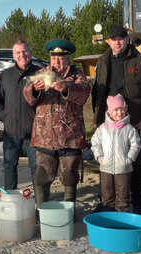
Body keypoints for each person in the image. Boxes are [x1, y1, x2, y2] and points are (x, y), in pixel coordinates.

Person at [92, 25, 141, 215]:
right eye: (113, 39)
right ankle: (107, 204)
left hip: (133, 122)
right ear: (108, 41)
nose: (117, 42)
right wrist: (98, 120)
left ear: (127, 39)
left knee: (134, 164)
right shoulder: (102, 61)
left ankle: (137, 204)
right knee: (107, 165)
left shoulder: (140, 60)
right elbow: (96, 91)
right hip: (109, 123)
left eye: (121, 38)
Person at [23, 39, 91, 210]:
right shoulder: (41, 73)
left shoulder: (77, 75)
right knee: (41, 175)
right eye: (54, 57)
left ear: (68, 57)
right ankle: (42, 209)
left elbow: (84, 94)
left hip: (71, 136)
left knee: (69, 175)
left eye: (61, 57)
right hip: (44, 135)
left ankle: (69, 210)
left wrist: (67, 88)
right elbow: (27, 97)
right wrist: (34, 90)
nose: (57, 61)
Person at [0, 40, 39, 190]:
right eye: (18, 53)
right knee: (9, 167)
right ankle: (11, 200)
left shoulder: (39, 73)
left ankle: (40, 204)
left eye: (25, 51)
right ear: (13, 56)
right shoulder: (6, 75)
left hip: (34, 132)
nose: (22, 55)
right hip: (11, 131)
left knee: (37, 168)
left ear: (30, 53)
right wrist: (4, 116)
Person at [91, 94, 141, 212]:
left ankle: (122, 214)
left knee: (123, 194)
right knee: (106, 194)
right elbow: (95, 143)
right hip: (105, 167)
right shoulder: (103, 128)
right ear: (110, 112)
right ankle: (107, 213)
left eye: (122, 110)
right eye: (116, 110)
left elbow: (136, 145)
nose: (119, 113)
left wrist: (129, 159)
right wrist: (99, 157)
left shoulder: (129, 129)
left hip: (123, 168)